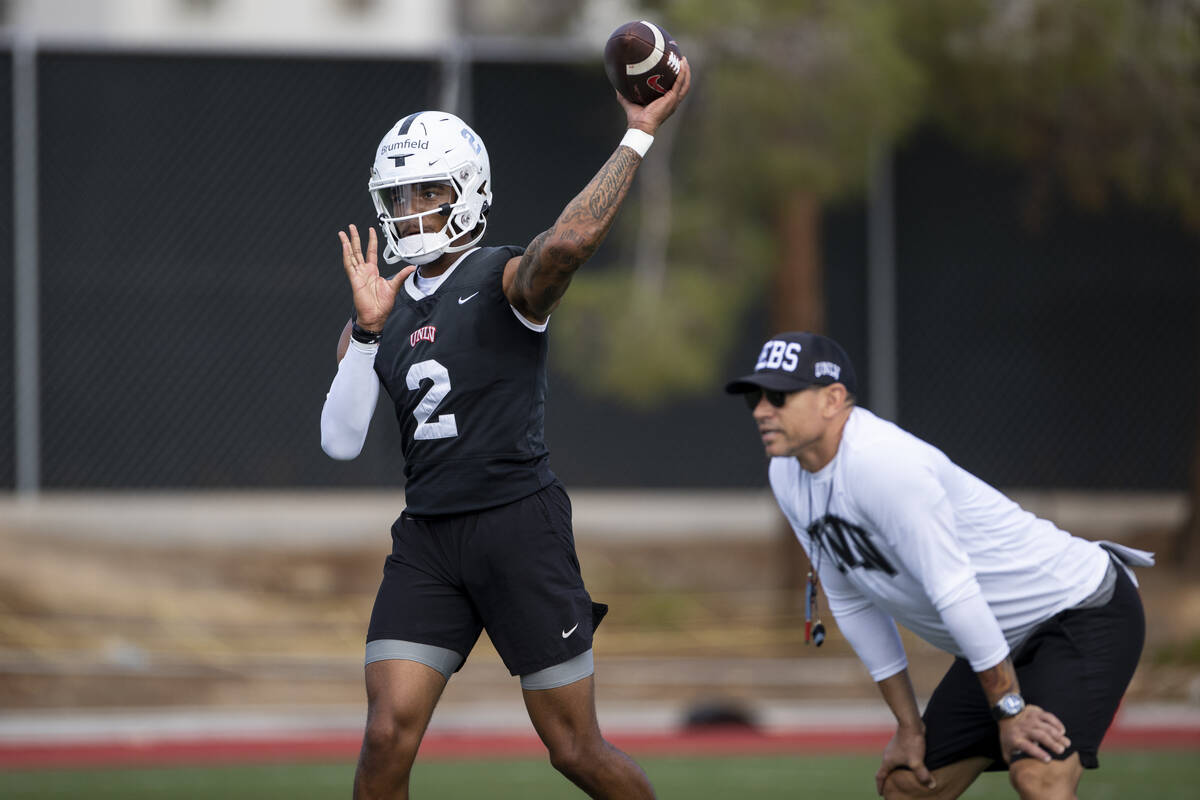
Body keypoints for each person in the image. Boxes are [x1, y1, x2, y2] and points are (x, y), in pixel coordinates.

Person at [318, 60, 690, 799]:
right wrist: (364, 334)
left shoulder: (504, 279)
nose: (412, 208)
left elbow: (567, 246)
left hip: (518, 526)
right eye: (399, 195)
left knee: (574, 749)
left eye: (428, 190)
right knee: (387, 734)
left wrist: (638, 135)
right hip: (428, 538)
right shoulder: (374, 317)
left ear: (469, 193)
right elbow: (339, 441)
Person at [724, 331, 1153, 800]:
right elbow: (850, 600)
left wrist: (1010, 710)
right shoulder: (785, 472)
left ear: (833, 399)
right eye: (756, 397)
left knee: (1036, 775)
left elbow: (956, 591)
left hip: (1082, 612)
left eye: (780, 396)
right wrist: (908, 725)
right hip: (998, 638)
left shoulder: (882, 464)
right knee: (908, 787)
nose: (763, 410)